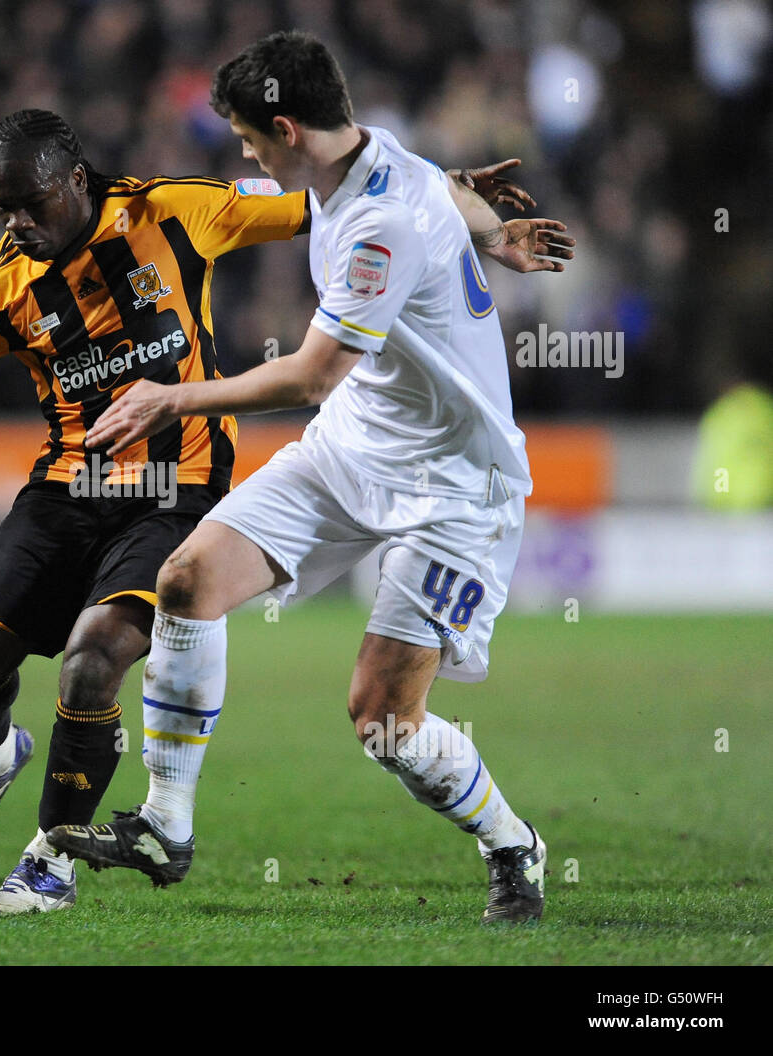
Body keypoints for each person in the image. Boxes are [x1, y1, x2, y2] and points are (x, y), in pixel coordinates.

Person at [0, 108, 555, 915]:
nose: (17, 224)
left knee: (96, 660)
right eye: (2, 210)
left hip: (180, 486)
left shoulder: (174, 212)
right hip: (65, 491)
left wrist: (454, 204)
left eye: (33, 203)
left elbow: (335, 198)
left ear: (77, 182)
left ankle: (53, 860)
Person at [48, 30, 575, 925]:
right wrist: (491, 231)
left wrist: (171, 398)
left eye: (250, 137)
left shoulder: (378, 225)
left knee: (383, 722)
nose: (245, 151)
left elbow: (309, 375)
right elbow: (447, 190)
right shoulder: (375, 161)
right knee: (183, 581)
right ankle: (166, 825)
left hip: (454, 485)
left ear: (287, 128)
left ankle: (512, 844)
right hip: (352, 448)